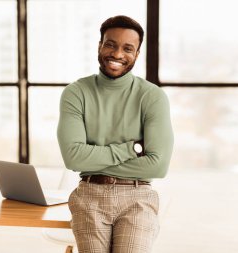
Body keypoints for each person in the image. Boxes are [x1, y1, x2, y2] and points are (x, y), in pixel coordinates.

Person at [57, 15, 174, 253]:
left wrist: (94, 161)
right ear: (100, 45)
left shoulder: (152, 96)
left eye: (127, 48)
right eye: (110, 44)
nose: (117, 54)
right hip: (89, 196)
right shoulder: (76, 92)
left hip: (138, 197)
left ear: (137, 54)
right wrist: (131, 149)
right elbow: (73, 158)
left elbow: (157, 166)